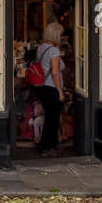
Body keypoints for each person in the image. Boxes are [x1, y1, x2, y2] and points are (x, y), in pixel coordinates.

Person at [35, 21, 66, 156]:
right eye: (60, 35)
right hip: (52, 87)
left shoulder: (41, 47)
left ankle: (44, 144)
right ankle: (49, 148)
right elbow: (55, 73)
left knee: (49, 117)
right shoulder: (54, 51)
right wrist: (60, 92)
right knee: (53, 119)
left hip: (43, 87)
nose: (62, 38)